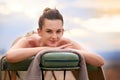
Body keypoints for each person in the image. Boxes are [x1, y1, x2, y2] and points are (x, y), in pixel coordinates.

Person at [5, 7, 104, 80]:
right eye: (49, 31)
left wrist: (72, 51)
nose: (54, 37)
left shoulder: (65, 43)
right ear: (39, 31)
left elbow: (99, 61)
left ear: (63, 31)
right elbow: (10, 56)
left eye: (58, 31)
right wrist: (44, 49)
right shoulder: (29, 41)